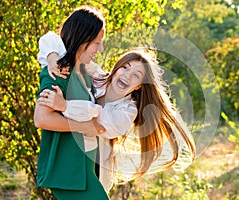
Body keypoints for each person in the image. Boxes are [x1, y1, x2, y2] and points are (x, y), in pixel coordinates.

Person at [37, 32, 196, 191]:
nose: (127, 76)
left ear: (139, 86)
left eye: (136, 76)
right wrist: (52, 58)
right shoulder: (98, 77)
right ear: (116, 68)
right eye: (125, 68)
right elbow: (51, 40)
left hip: (97, 171)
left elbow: (99, 120)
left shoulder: (127, 110)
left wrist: (65, 106)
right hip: (73, 163)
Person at [33, 6, 109, 199]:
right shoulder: (58, 72)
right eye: (97, 43)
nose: (100, 49)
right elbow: (41, 118)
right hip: (69, 171)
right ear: (82, 39)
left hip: (85, 166)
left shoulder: (84, 72)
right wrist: (84, 126)